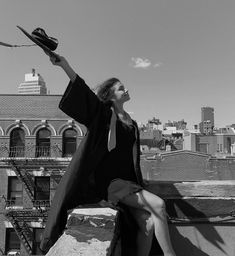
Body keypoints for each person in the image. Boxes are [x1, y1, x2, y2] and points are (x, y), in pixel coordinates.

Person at [40, 52, 176, 256]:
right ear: (111, 96)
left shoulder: (132, 123)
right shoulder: (106, 117)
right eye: (121, 88)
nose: (126, 89)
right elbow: (84, 94)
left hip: (129, 184)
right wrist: (65, 65)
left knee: (147, 224)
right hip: (112, 185)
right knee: (159, 204)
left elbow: (132, 161)